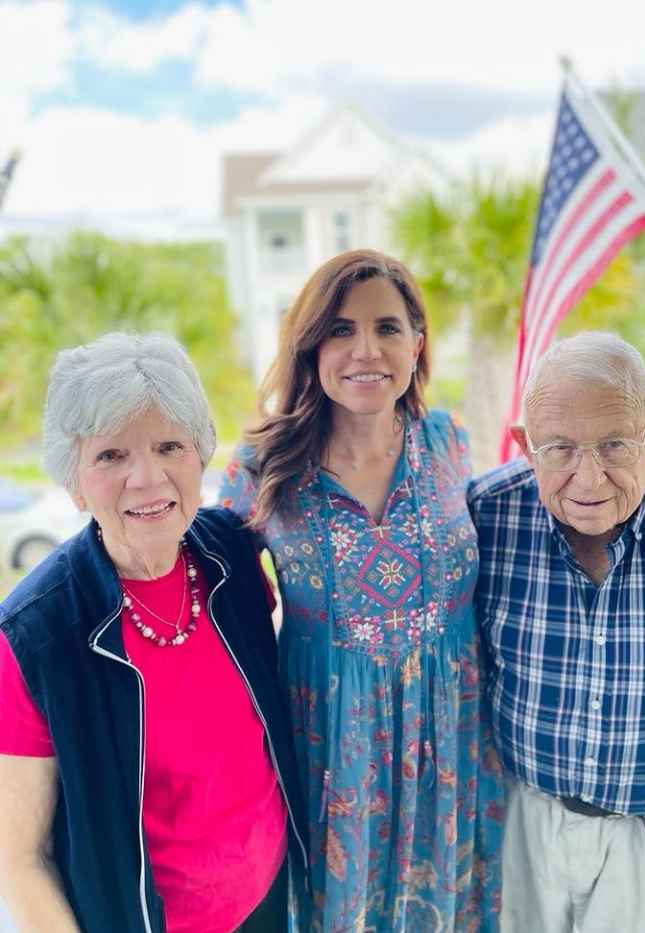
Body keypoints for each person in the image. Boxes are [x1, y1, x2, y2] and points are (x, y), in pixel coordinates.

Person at [219, 248, 505, 932]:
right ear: (311, 345)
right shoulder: (263, 464)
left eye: (387, 327)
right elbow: (220, 602)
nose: (365, 349)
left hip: (453, 741)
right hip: (330, 749)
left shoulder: (450, 441)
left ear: (417, 342)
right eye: (341, 329)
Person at [0, 332, 309, 933]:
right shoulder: (33, 637)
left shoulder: (236, 556)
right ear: (73, 480)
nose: (147, 478)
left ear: (199, 456)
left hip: (270, 900)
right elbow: (19, 860)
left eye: (170, 445)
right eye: (111, 456)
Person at [469, 331, 645, 933]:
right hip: (524, 824)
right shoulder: (485, 514)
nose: (588, 479)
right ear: (525, 446)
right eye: (559, 448)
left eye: (615, 444)